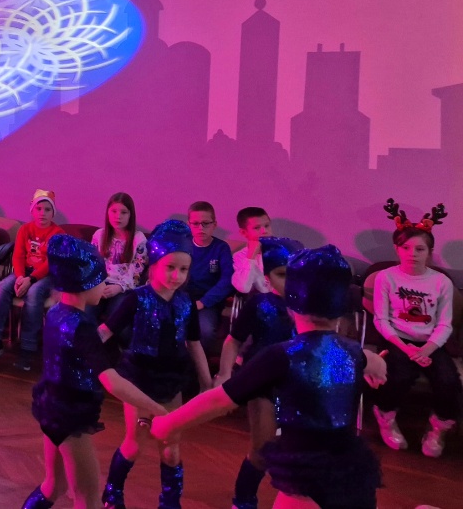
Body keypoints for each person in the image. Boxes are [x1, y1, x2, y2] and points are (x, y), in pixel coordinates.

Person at [150, 245, 387, 509]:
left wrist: (168, 424)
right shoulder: (352, 350)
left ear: (292, 304)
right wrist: (377, 364)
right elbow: (370, 360)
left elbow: (219, 401)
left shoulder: (283, 355)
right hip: (352, 474)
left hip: (305, 479)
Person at [23, 234, 167, 509]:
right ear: (84, 283)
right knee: (87, 499)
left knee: (53, 486)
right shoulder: (82, 326)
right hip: (69, 417)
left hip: (50, 409)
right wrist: (156, 408)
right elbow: (112, 382)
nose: (105, 284)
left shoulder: (55, 312)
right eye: (102, 279)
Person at [97, 220, 212, 509]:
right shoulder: (136, 299)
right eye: (170, 267)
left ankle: (170, 501)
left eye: (183, 270)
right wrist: (78, 346)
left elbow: (194, 343)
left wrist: (208, 383)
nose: (176, 276)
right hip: (138, 379)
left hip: (172, 380)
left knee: (171, 448)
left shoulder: (186, 303)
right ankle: (113, 493)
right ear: (154, 265)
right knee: (135, 444)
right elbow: (106, 331)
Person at [214, 237, 301, 509]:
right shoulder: (260, 303)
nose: (290, 282)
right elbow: (233, 340)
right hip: (263, 381)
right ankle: (244, 500)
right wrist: (224, 374)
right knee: (262, 449)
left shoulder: (309, 308)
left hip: (298, 383)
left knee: (295, 447)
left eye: (295, 275)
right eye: (282, 275)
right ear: (267, 277)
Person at [372, 199, 458, 458]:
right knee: (397, 376)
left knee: (448, 381)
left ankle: (437, 427)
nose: (412, 254)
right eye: (406, 248)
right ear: (397, 249)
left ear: (429, 252)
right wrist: (406, 348)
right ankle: (386, 417)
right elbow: (381, 320)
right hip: (397, 340)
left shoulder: (441, 282)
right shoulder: (386, 277)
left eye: (420, 249)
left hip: (430, 344)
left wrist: (427, 349)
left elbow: (444, 323)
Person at [0, 189, 65, 371]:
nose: (42, 213)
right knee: (2, 288)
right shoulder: (25, 229)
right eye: (39, 209)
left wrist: (30, 280)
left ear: (53, 213)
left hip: (46, 276)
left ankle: (28, 347)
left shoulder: (58, 233)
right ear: (32, 210)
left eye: (47, 210)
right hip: (24, 272)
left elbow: (50, 263)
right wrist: (20, 277)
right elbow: (18, 255)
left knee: (34, 293)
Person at [185, 200, 235, 357]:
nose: (201, 228)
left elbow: (227, 280)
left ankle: (196, 365)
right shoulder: (183, 245)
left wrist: (203, 302)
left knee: (205, 331)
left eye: (206, 223)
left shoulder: (221, 248)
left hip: (208, 301)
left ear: (214, 225)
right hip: (183, 297)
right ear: (189, 224)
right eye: (196, 224)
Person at [90, 192, 148, 320]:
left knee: (116, 316)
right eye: (114, 211)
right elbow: (92, 265)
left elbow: (136, 273)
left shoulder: (139, 239)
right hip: (100, 285)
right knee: (85, 314)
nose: (118, 217)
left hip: (123, 288)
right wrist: (98, 285)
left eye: (124, 212)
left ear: (130, 215)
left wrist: (119, 287)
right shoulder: (99, 235)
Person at [232, 207, 273, 295]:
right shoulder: (239, 256)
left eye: (267, 226)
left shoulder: (282, 251)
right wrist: (251, 257)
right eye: (257, 228)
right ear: (243, 232)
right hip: (255, 300)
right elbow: (243, 288)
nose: (264, 231)